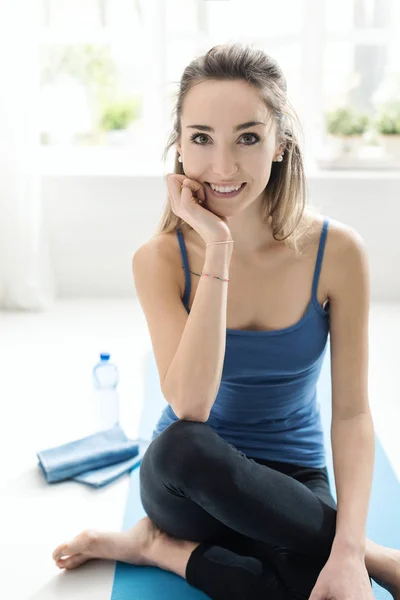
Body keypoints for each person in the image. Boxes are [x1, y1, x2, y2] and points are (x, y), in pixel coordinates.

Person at [52, 43, 400, 600]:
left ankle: (156, 549)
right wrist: (218, 247)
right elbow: (191, 407)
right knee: (184, 446)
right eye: (200, 139)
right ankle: (383, 557)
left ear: (280, 144)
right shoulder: (160, 258)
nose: (222, 166)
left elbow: (353, 412)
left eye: (247, 137)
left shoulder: (338, 252)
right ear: (179, 148)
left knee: (311, 590)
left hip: (291, 488)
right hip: (189, 482)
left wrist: (345, 554)